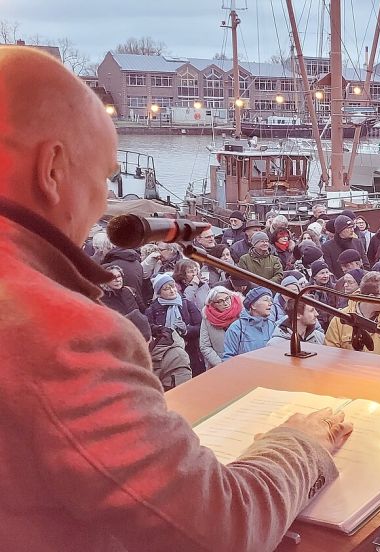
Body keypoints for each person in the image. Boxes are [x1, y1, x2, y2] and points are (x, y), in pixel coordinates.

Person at [0, 46, 352, 551]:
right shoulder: (60, 332)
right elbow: (224, 526)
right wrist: (301, 443)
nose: (104, 202)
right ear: (52, 169)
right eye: (101, 178)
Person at [222, 287, 278, 360]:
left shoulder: (272, 325)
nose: (270, 303)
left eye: (271, 300)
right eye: (266, 300)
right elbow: (228, 358)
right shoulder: (236, 328)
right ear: (253, 305)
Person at [199, 286, 242, 370]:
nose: (225, 303)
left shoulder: (242, 314)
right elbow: (205, 346)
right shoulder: (207, 319)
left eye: (227, 299)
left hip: (242, 363)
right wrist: (220, 364)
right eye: (220, 301)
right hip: (219, 366)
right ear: (212, 304)